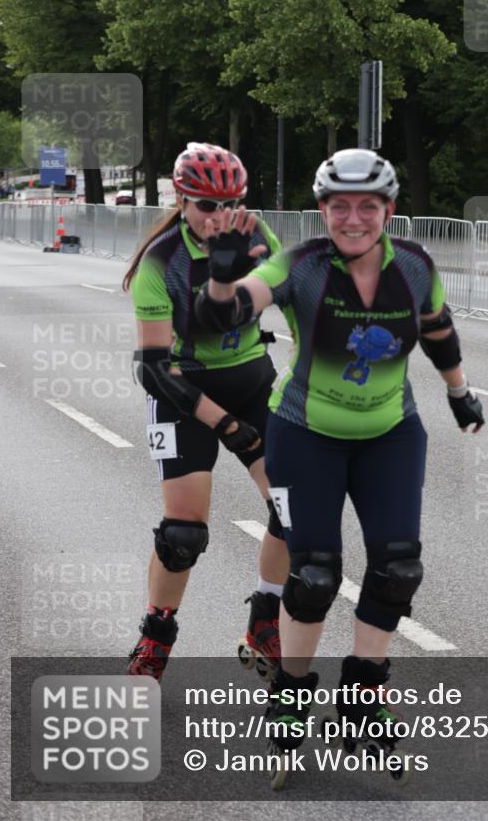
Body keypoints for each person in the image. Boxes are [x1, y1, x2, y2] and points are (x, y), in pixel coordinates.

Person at [195, 148, 485, 757]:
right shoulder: (300, 265)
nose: (353, 219)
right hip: (305, 433)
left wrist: (459, 392)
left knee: (399, 569)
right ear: (322, 210)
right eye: (340, 206)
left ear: (389, 210)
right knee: (314, 576)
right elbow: (228, 310)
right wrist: (221, 279)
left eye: (367, 206)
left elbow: (437, 328)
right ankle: (292, 692)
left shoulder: (415, 265)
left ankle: (362, 697)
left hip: (390, 433)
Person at [122, 142, 289, 680]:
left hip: (251, 382)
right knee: (183, 535)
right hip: (184, 394)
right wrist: (225, 424)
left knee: (294, 509)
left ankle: (264, 620)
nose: (220, 216)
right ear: (181, 200)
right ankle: (156, 638)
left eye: (231, 203)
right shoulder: (160, 262)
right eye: (207, 206)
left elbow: (296, 303)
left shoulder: (258, 237)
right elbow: (154, 369)